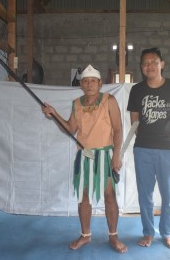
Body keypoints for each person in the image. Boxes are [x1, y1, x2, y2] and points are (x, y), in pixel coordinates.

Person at [41, 64, 128, 253]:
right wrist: (54, 114)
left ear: (100, 83)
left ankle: (113, 236)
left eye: (93, 81)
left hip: (105, 154)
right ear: (81, 85)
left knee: (109, 196)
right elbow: (70, 129)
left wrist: (116, 155)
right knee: (83, 197)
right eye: (85, 81)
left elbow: (119, 129)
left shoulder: (109, 100)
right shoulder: (77, 103)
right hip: (84, 155)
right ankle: (85, 235)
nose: (89, 84)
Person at [127, 47, 170, 249]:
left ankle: (168, 232)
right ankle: (148, 232)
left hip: (169, 150)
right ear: (142, 68)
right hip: (142, 149)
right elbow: (134, 121)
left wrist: (168, 137)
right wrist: (145, 139)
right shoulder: (137, 90)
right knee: (145, 194)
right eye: (145, 63)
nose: (149, 66)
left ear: (162, 64)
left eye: (153, 61)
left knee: (169, 194)